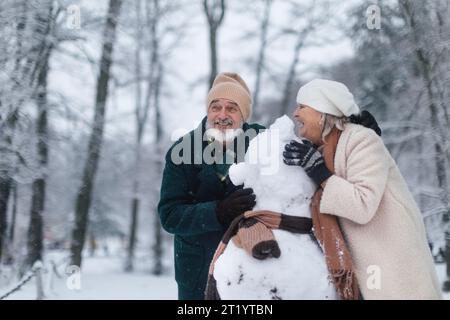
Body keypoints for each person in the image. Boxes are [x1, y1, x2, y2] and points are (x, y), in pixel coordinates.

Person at [283, 79, 442, 299]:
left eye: (302, 107)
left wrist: (320, 173)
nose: (295, 114)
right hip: (370, 268)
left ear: (322, 112)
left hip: (393, 266)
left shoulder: (362, 140)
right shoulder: (325, 150)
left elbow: (362, 205)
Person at [158, 73, 264, 299]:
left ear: (243, 116)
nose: (222, 115)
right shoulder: (182, 151)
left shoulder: (263, 142)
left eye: (232, 108)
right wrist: (217, 211)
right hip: (198, 271)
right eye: (216, 107)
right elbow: (169, 216)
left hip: (250, 269)